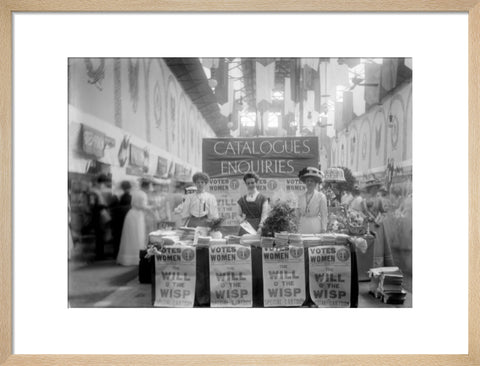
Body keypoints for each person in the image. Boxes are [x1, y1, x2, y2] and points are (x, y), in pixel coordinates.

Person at [116, 178, 154, 266]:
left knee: (130, 237)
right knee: (138, 236)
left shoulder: (136, 192)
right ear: (147, 186)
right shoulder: (143, 194)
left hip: (131, 214)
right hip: (138, 216)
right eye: (150, 186)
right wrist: (153, 207)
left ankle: (126, 258)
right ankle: (136, 258)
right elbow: (143, 206)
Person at [89, 173, 116, 260]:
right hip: (106, 213)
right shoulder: (109, 190)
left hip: (98, 213)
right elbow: (112, 202)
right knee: (105, 233)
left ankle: (100, 254)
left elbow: (92, 204)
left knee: (99, 234)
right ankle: (103, 253)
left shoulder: (93, 191)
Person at [297, 167, 328, 234]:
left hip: (315, 225)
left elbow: (324, 215)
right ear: (305, 182)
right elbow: (298, 214)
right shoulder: (301, 197)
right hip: (303, 226)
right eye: (307, 181)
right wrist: (297, 227)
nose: (309, 183)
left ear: (316, 183)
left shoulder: (321, 196)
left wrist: (323, 229)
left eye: (311, 181)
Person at [110, 180, 132, 258]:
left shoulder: (118, 195)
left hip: (118, 217)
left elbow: (113, 205)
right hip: (126, 217)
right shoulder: (129, 196)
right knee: (124, 236)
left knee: (118, 236)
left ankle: (116, 253)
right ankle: (121, 253)